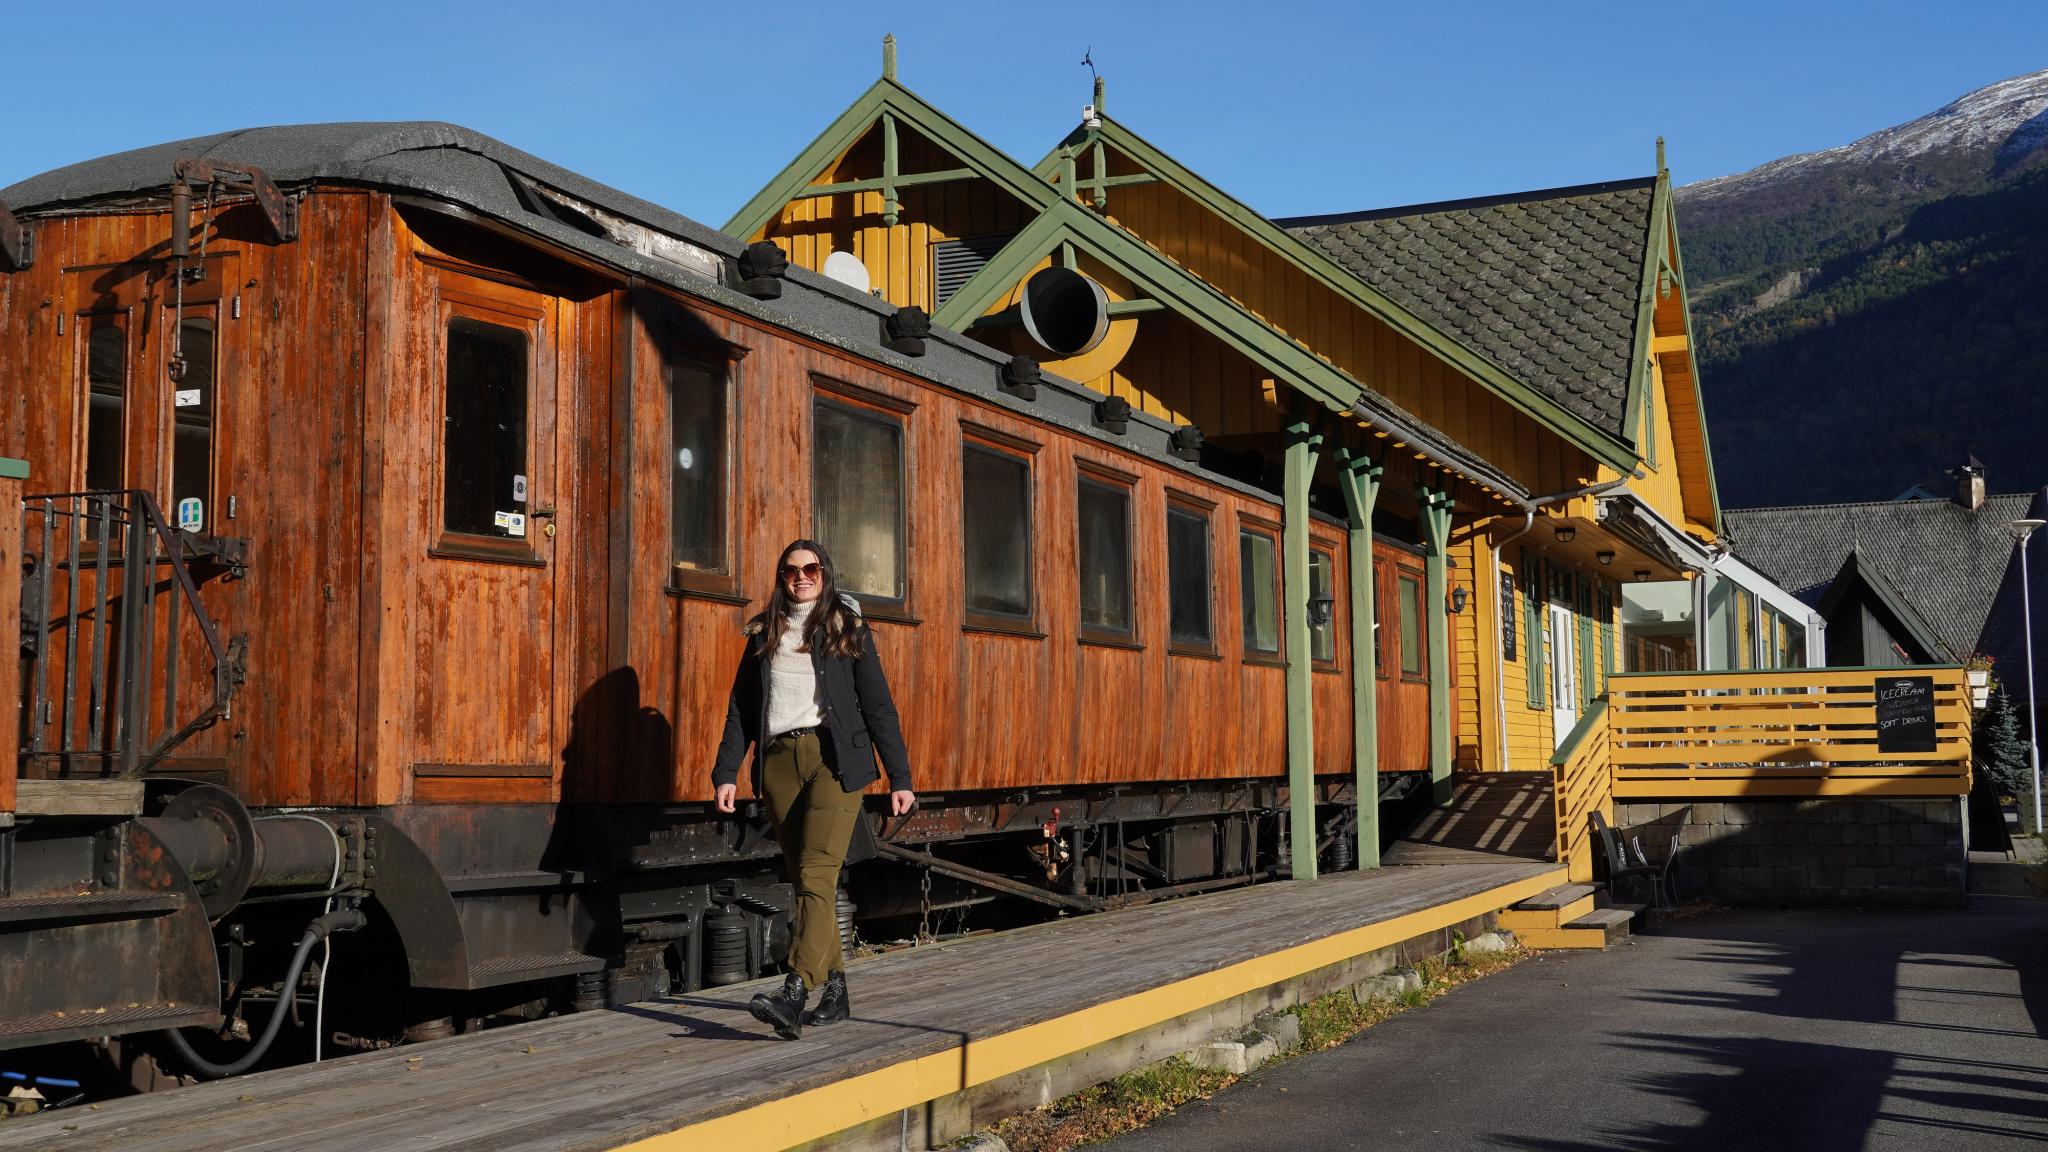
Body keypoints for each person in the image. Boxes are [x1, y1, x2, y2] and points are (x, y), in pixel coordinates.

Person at [713, 539, 915, 1039]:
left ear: (825, 573)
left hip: (834, 760)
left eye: (811, 569)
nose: (801, 577)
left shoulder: (847, 628)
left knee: (817, 871)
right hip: (779, 764)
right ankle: (838, 989)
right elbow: (741, 708)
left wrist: (901, 777)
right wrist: (726, 772)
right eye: (791, 570)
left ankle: (795, 989)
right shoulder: (765, 631)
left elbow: (879, 706)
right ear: (781, 576)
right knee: (807, 883)